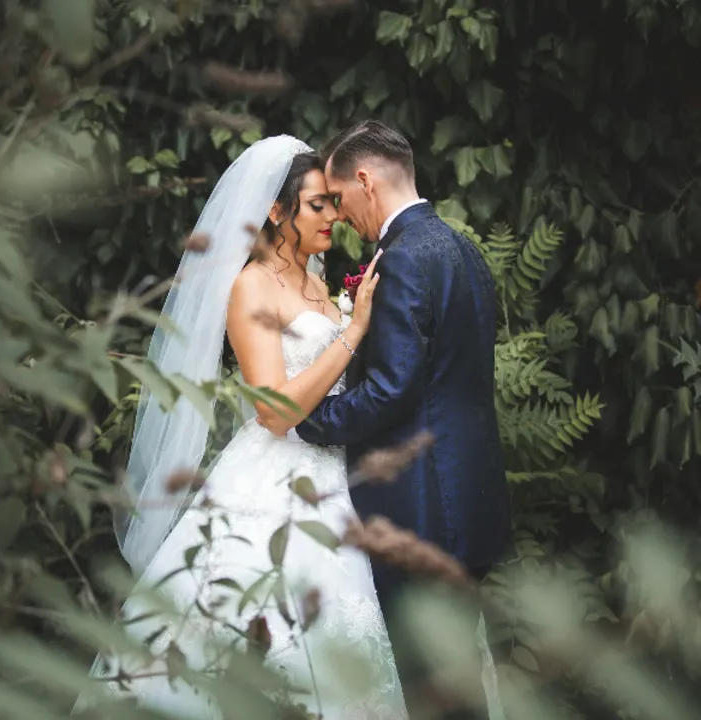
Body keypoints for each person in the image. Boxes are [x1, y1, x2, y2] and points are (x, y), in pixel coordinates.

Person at [74, 136, 407, 718]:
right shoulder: (251, 285)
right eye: (317, 205)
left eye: (333, 203)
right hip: (277, 477)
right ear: (276, 212)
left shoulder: (318, 282)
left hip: (337, 474)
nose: (332, 216)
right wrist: (353, 332)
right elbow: (273, 411)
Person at [294, 120, 512, 719]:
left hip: (421, 511)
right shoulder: (461, 248)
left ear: (365, 181)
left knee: (431, 694)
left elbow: (390, 392)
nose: (340, 215)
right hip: (468, 503)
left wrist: (307, 418)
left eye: (339, 197)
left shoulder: (403, 259)